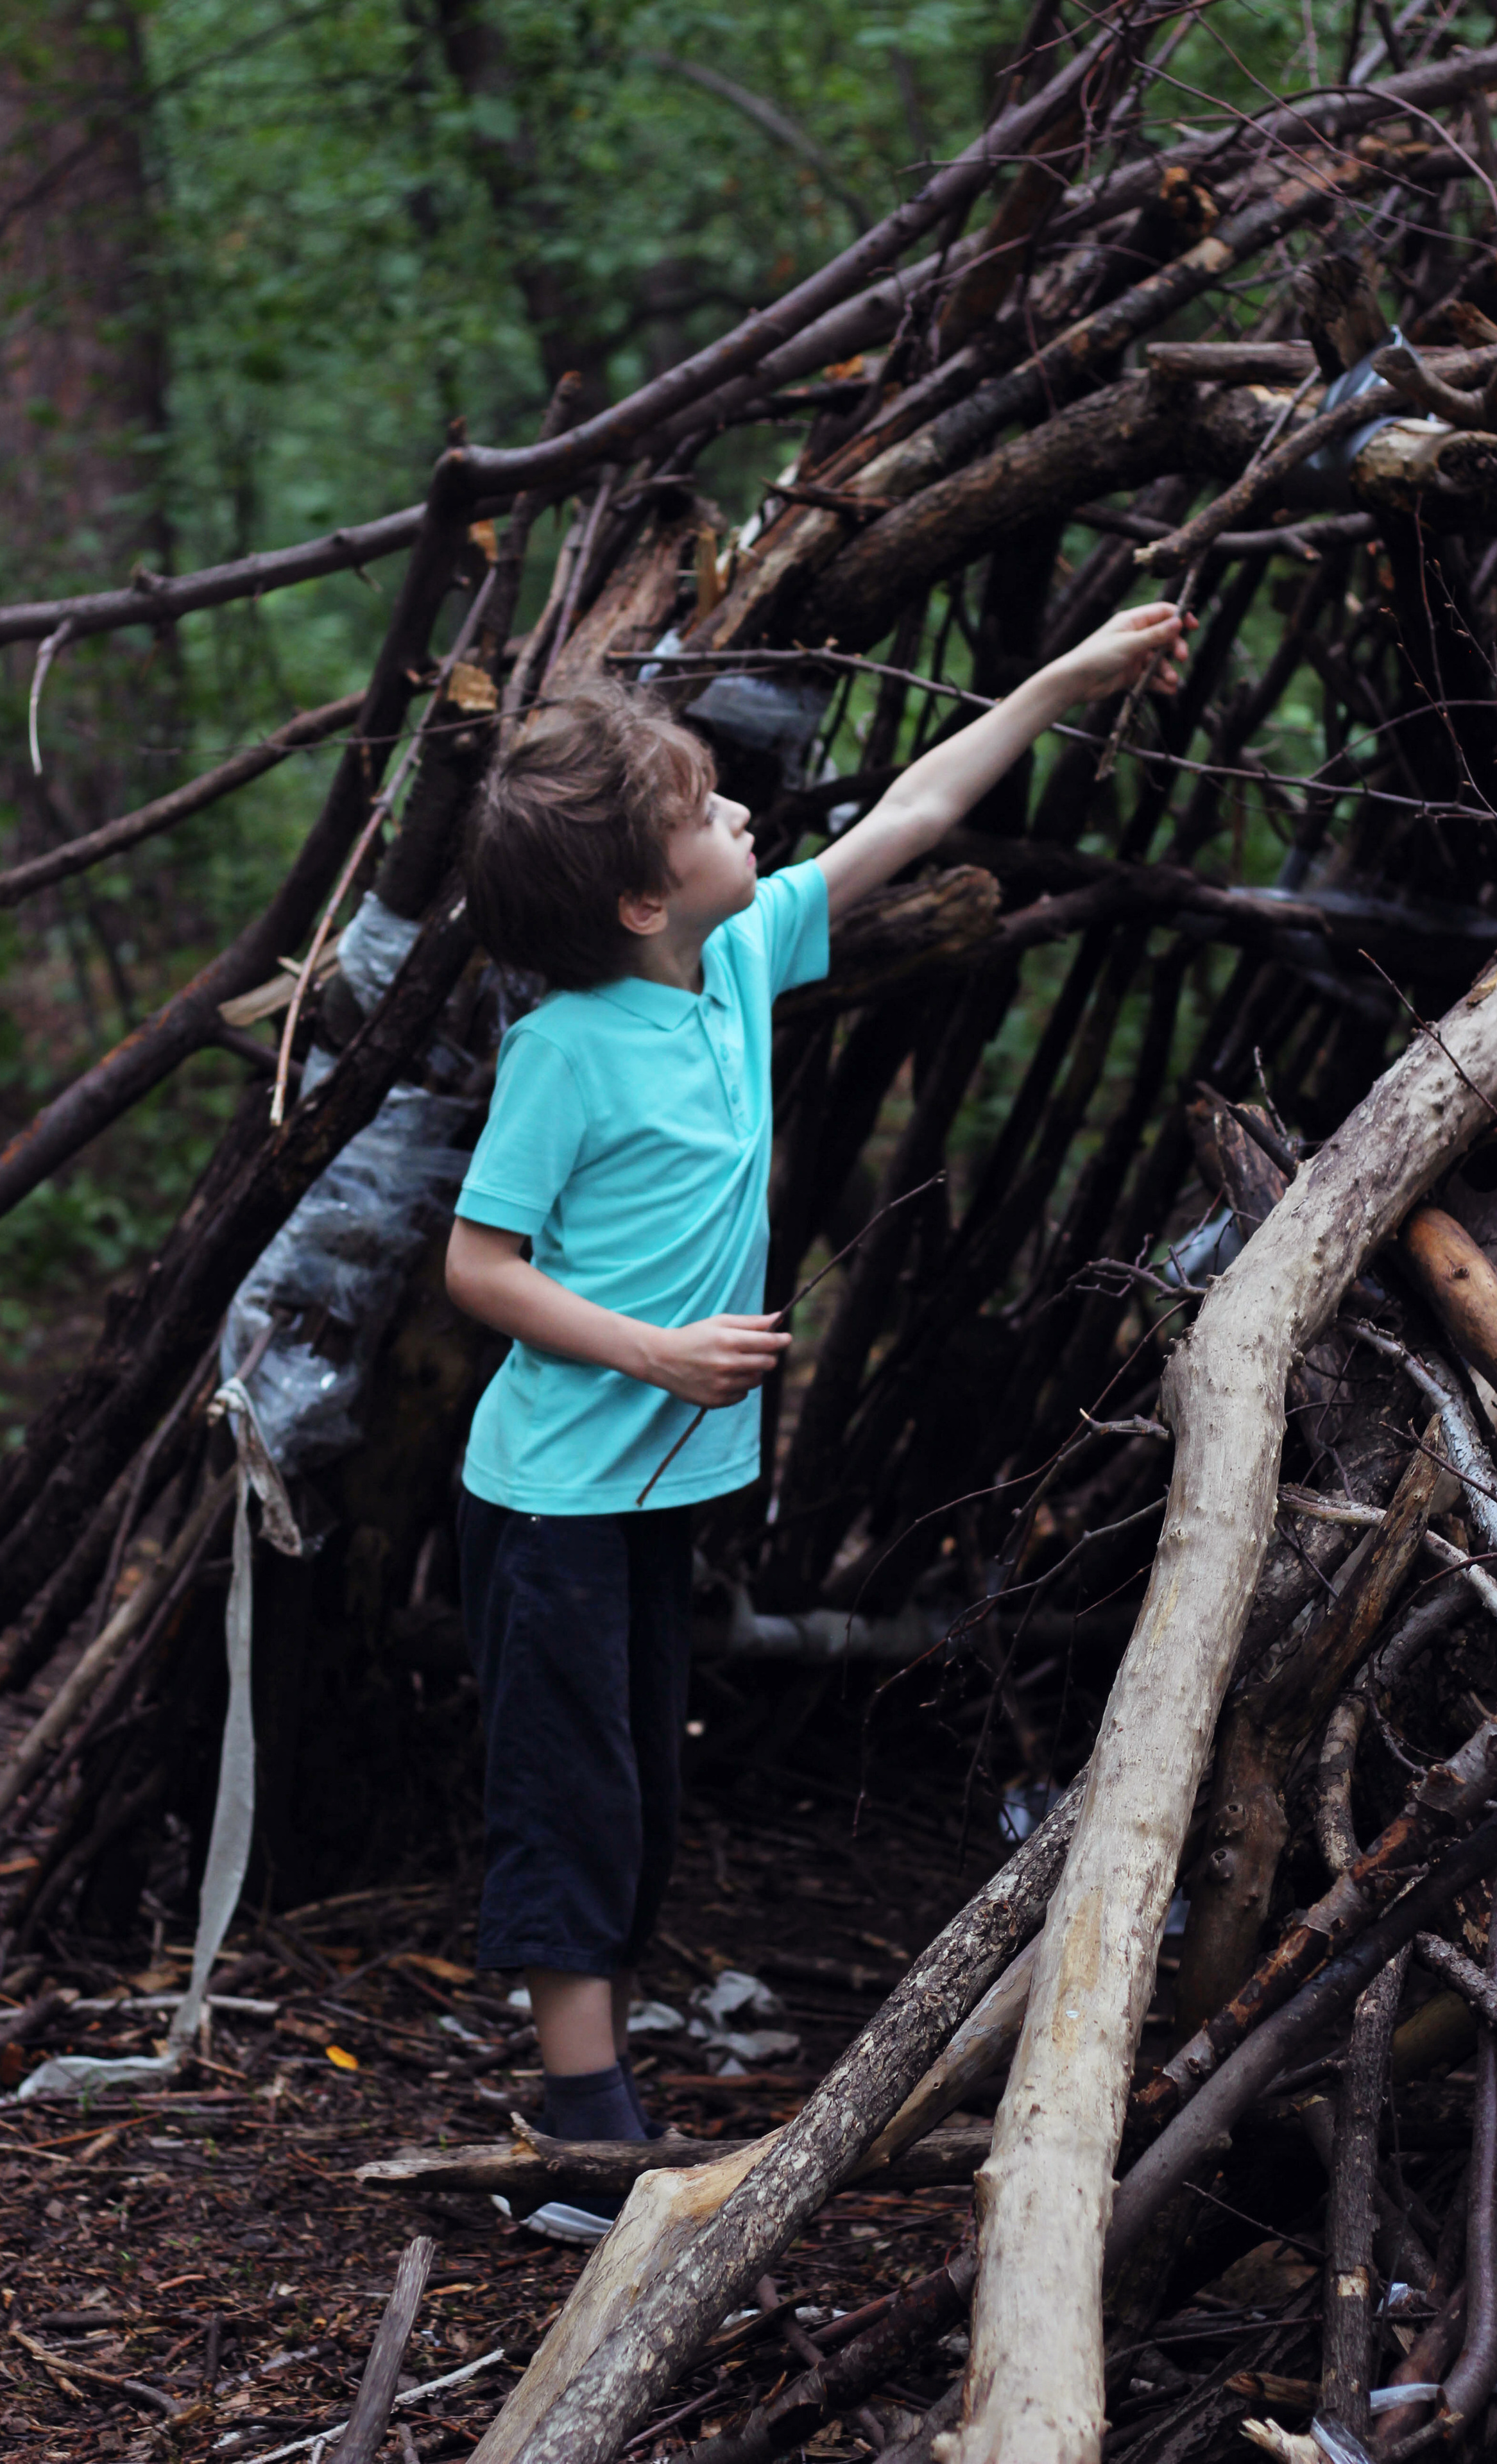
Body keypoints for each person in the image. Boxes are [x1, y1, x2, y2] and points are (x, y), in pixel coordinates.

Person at [444, 601, 1190, 2239]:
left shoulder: (730, 963)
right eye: (709, 814)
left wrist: (1059, 680)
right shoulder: (566, 1051)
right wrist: (649, 1354)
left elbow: (914, 814)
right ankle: (582, 2132)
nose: (745, 820)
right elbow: (476, 1267)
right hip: (556, 1494)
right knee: (571, 1793)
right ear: (642, 898)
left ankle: (598, 2086)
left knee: (634, 1782)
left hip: (643, 1496)